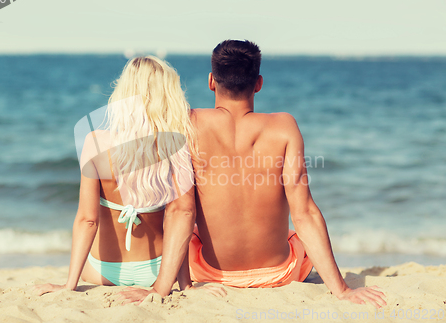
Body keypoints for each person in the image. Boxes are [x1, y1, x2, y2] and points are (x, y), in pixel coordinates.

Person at [179, 40, 387, 308]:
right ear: (258, 83)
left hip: (209, 274)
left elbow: (181, 212)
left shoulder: (189, 125)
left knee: (191, 229)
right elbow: (305, 213)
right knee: (294, 234)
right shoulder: (284, 127)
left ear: (211, 81)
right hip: (279, 274)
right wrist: (343, 290)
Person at [34, 56, 197, 301]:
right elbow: (180, 215)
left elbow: (87, 220)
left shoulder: (95, 142)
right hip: (158, 272)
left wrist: (70, 285)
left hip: (101, 272)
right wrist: (185, 285)